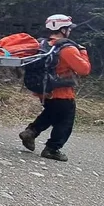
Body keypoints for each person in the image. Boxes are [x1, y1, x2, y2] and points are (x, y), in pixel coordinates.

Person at [19, 14, 91, 161]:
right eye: (68, 28)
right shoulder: (67, 48)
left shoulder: (41, 44)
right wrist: (83, 52)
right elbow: (84, 70)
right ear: (63, 29)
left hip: (44, 91)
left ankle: (31, 132)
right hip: (62, 92)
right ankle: (52, 148)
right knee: (65, 120)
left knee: (51, 113)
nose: (70, 31)